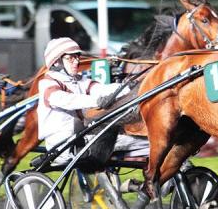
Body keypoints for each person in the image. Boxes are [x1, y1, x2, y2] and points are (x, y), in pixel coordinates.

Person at [37, 37, 149, 167]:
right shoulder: (47, 83)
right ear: (57, 62)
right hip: (62, 145)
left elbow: (102, 89)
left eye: (77, 57)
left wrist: (128, 87)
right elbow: (66, 100)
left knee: (147, 143)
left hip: (83, 138)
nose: (77, 62)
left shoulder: (79, 81)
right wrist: (96, 101)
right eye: (70, 58)